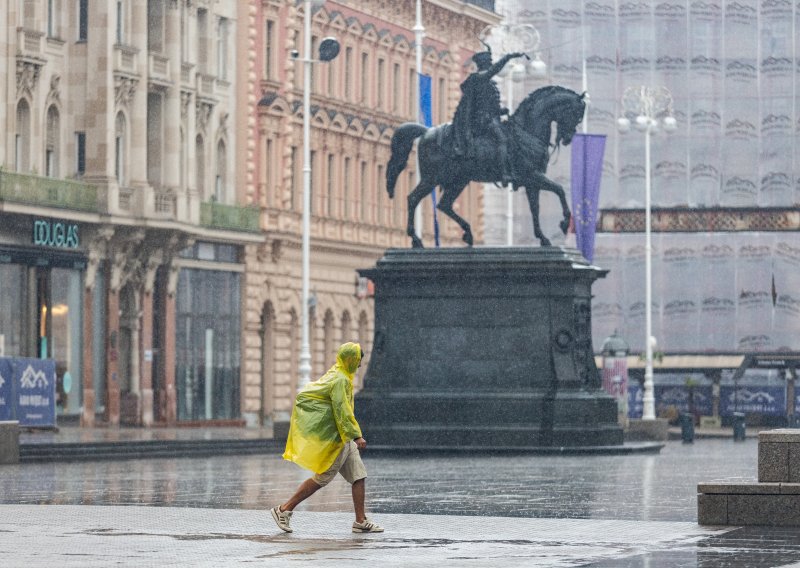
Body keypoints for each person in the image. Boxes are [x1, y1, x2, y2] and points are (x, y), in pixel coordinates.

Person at [270, 342, 383, 534]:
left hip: (343, 437)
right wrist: (356, 435)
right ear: (350, 360)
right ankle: (284, 509)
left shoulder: (339, 374)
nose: (359, 365)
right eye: (357, 361)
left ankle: (360, 521)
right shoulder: (340, 380)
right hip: (338, 439)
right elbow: (342, 410)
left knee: (359, 476)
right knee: (322, 479)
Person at [452, 48, 527, 185]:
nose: (491, 66)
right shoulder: (477, 78)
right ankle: (504, 173)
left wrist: (501, 111)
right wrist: (509, 56)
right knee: (502, 139)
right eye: (489, 63)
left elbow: (488, 104)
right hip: (482, 121)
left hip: (491, 117)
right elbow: (494, 71)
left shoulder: (488, 83)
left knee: (513, 136)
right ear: (485, 64)